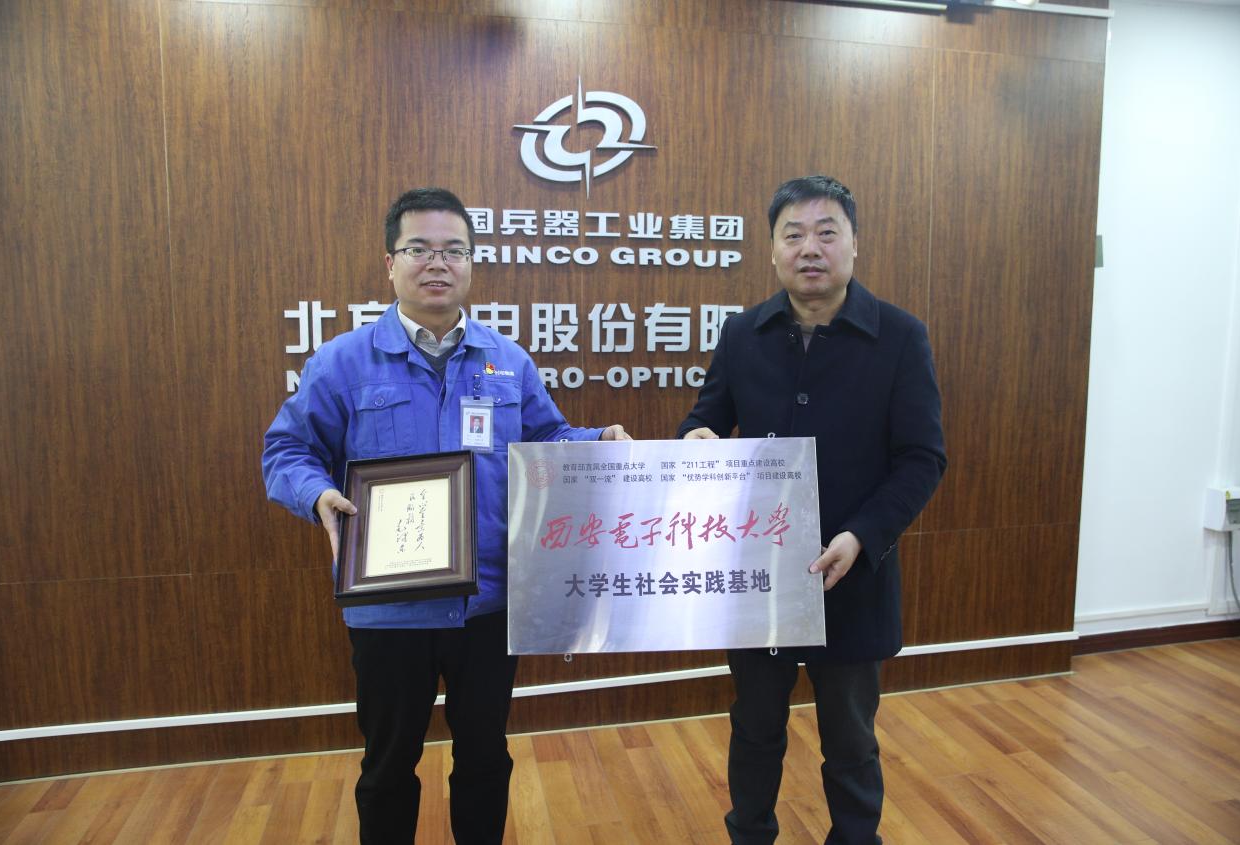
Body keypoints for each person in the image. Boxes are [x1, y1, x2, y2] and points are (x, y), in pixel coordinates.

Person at [262, 187, 631, 844]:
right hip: (387, 608)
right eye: (419, 249)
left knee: (485, 759)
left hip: (486, 604)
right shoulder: (343, 361)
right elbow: (287, 449)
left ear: (470, 263)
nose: (437, 263)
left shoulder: (506, 360)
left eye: (453, 250)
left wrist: (596, 440)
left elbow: (545, 439)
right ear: (390, 263)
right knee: (387, 766)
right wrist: (316, 494)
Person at [678, 175, 946, 845]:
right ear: (772, 249)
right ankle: (750, 834)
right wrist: (696, 439)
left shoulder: (899, 337)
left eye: (827, 233)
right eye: (793, 234)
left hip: (851, 576)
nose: (809, 248)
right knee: (754, 728)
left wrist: (862, 535)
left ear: (853, 244)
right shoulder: (742, 333)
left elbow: (921, 457)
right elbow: (705, 418)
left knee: (851, 739)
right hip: (758, 576)